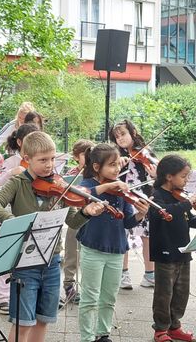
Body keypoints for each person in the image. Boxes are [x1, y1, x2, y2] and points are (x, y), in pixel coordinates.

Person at [0, 131, 104, 342]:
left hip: (51, 260)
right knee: (23, 322)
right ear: (27, 159)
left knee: (43, 319)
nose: (49, 165)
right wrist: (16, 222)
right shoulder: (17, 182)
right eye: (42, 160)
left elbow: (73, 222)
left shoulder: (59, 186)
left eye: (52, 159)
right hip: (24, 263)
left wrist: (87, 213)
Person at [77, 143, 149, 342]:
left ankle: (103, 333)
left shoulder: (121, 191)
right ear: (97, 167)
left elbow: (127, 222)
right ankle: (87, 337)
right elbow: (82, 194)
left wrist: (140, 215)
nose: (117, 169)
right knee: (90, 297)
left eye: (118, 164)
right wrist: (108, 186)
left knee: (108, 297)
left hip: (116, 249)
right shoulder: (88, 186)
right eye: (112, 165)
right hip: (93, 249)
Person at [0, 123, 40, 315]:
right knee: (9, 257)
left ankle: (28, 295)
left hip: (32, 213)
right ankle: (3, 297)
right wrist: (11, 173)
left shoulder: (38, 164)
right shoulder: (13, 162)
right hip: (12, 212)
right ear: (20, 142)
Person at [149, 155, 196, 342]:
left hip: (183, 251)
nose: (186, 181)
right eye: (184, 177)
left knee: (181, 291)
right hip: (165, 252)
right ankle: (160, 329)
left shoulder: (180, 197)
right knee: (164, 292)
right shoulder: (156, 196)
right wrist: (187, 203)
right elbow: (166, 213)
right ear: (169, 176)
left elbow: (189, 219)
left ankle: (174, 326)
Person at [109, 119, 156, 289]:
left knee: (147, 236)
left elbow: (154, 178)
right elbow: (109, 175)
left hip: (144, 198)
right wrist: (117, 163)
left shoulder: (144, 152)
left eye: (123, 134)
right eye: (117, 137)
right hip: (124, 198)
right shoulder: (115, 155)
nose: (120, 139)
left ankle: (150, 275)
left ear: (133, 133)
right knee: (124, 235)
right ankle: (123, 274)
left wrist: (155, 175)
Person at [61, 139, 95, 305]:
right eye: (84, 155)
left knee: (89, 255)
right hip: (76, 216)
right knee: (71, 251)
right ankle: (69, 284)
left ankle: (89, 287)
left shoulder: (96, 173)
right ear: (76, 157)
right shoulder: (72, 175)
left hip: (92, 218)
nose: (88, 158)